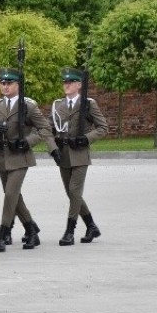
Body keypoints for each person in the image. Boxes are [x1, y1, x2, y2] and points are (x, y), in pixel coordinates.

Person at [0, 67, 57, 252]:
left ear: (18, 84)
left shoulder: (28, 106)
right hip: (1, 157)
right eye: (3, 83)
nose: (5, 86)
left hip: (20, 157)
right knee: (14, 197)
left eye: (9, 83)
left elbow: (44, 129)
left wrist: (27, 142)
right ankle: (31, 228)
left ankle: (2, 234)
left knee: (10, 194)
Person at [50, 67, 109, 245]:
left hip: (80, 154)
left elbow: (103, 128)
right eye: (65, 82)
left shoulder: (88, 104)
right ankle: (91, 226)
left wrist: (86, 139)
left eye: (70, 82)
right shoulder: (57, 105)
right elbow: (47, 129)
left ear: (79, 84)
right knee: (72, 194)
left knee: (75, 191)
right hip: (64, 154)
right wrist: (53, 148)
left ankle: (70, 231)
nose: (66, 85)